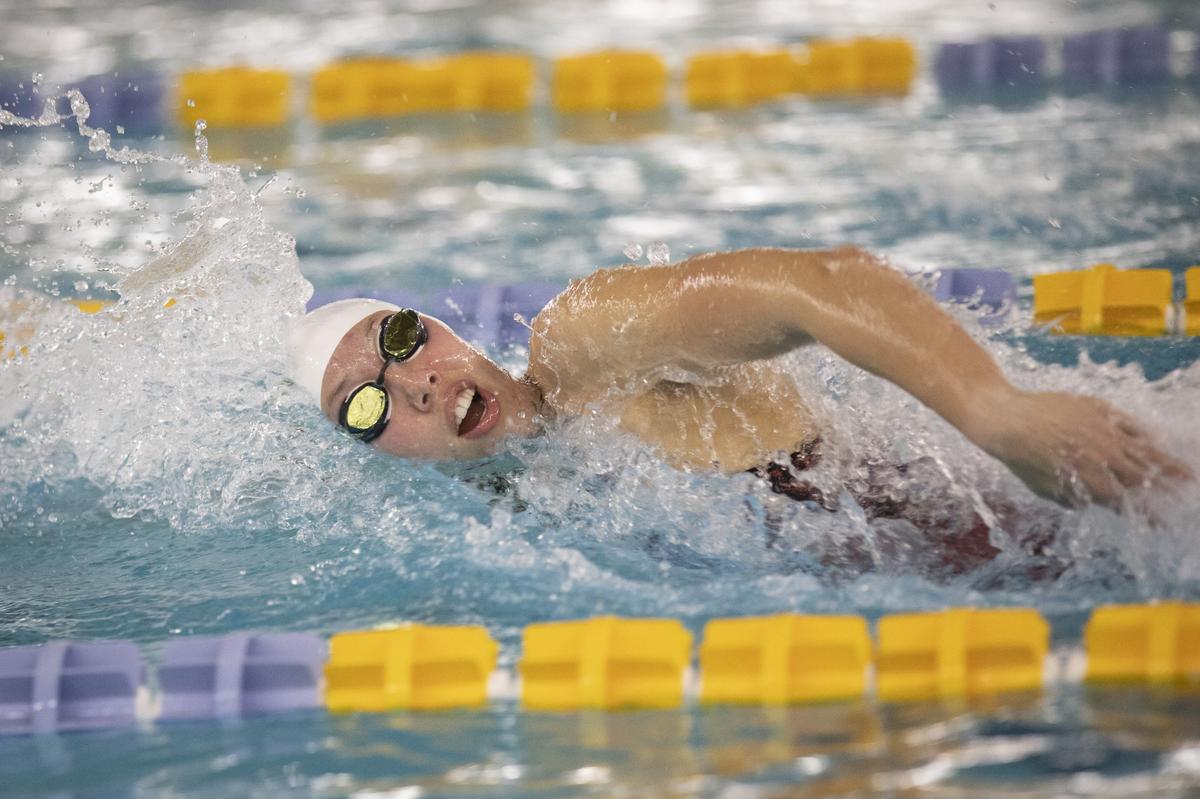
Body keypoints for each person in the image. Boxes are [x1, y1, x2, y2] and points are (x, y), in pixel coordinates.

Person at [289, 246, 1191, 516]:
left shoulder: (585, 348)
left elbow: (820, 283)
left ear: (440, 323)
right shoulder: (506, 508)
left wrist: (1000, 412)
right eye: (364, 406)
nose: (412, 385)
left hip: (1054, 494)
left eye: (399, 337)